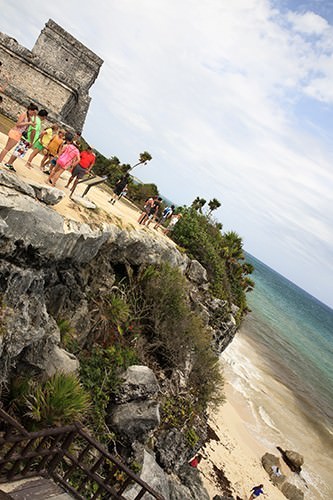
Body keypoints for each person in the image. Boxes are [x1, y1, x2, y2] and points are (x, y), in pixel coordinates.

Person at [0, 103, 38, 167]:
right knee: (7, 149)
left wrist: (34, 116)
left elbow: (34, 124)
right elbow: (18, 124)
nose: (33, 114)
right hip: (15, 132)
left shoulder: (29, 117)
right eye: (33, 112)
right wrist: (28, 123)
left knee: (7, 149)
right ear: (30, 110)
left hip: (19, 134)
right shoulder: (24, 114)